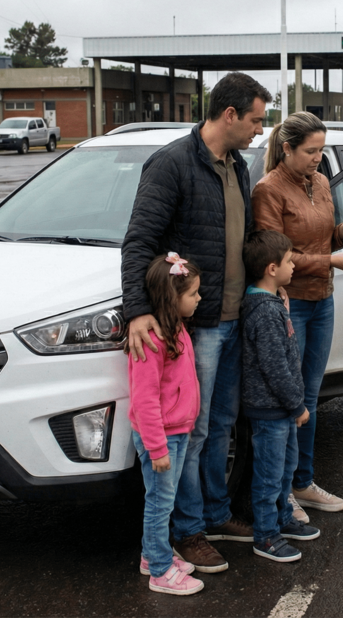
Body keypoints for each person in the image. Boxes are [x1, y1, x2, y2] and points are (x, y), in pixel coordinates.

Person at [122, 72, 273, 573]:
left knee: (221, 427)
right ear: (229, 114)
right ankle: (187, 531)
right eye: (255, 120)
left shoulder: (238, 166)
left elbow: (243, 239)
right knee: (192, 431)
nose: (259, 130)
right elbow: (139, 241)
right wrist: (138, 309)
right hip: (199, 327)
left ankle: (214, 514)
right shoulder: (172, 164)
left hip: (232, 319)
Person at [251, 112, 343, 523]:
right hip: (289, 303)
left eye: (321, 150)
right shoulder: (268, 190)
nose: (318, 158)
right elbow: (273, 256)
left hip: (322, 299)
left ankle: (302, 482)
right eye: (311, 151)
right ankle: (283, 493)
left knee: (310, 398)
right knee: (288, 400)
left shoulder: (319, 182)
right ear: (287, 148)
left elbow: (322, 237)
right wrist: (329, 260)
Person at [240, 230, 322, 562]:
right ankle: (266, 536)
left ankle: (282, 519)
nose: (294, 266)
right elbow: (274, 367)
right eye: (289, 261)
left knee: (286, 468)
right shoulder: (263, 312)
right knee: (269, 475)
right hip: (271, 410)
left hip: (282, 410)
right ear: (272, 269)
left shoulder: (272, 303)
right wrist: (297, 405)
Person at [127, 253, 204, 595]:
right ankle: (160, 571)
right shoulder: (152, 341)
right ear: (173, 298)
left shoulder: (178, 329)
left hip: (177, 431)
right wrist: (157, 448)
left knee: (164, 501)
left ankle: (151, 555)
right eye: (193, 293)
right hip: (161, 439)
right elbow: (144, 400)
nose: (199, 298)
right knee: (160, 504)